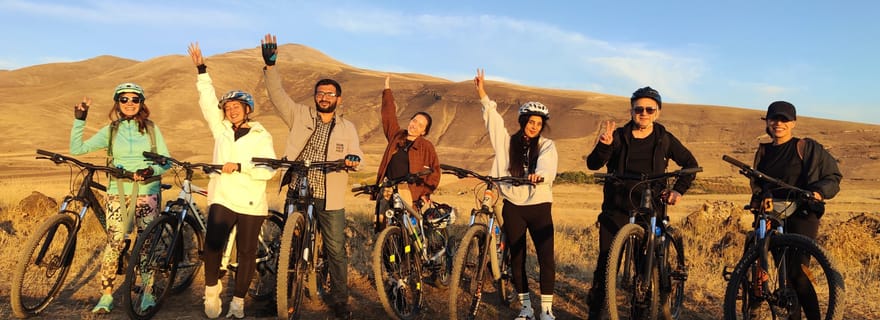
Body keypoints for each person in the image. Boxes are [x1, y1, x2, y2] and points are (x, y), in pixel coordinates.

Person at [261, 33, 363, 319]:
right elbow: (277, 96)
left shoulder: (347, 127)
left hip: (328, 195)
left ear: (338, 99)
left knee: (335, 250)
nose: (324, 97)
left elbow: (357, 154)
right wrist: (270, 67)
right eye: (320, 93)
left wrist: (352, 160)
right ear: (315, 96)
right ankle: (280, 295)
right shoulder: (299, 115)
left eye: (330, 94)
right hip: (297, 188)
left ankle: (340, 299)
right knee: (287, 248)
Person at [585, 86, 699, 319]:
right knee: (606, 262)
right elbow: (593, 164)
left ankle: (642, 310)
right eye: (639, 109)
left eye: (649, 109)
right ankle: (596, 312)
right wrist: (604, 146)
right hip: (617, 206)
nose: (644, 113)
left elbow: (690, 164)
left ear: (657, 112)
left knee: (643, 265)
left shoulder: (664, 139)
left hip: (650, 207)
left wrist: (678, 191)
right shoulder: (617, 136)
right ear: (631, 111)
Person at [188, 42, 277, 319]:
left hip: (251, 200)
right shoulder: (221, 130)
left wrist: (240, 166)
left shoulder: (262, 135)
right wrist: (202, 70)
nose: (231, 110)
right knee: (213, 244)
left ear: (247, 109)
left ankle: (238, 301)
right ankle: (212, 291)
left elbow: (268, 169)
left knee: (247, 252)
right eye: (228, 107)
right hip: (223, 195)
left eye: (237, 106)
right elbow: (206, 101)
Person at [69, 82, 171, 313]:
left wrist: (151, 171)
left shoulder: (152, 129)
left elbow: (166, 160)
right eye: (124, 100)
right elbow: (77, 149)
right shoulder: (111, 130)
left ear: (141, 103)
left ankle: (147, 292)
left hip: (147, 192)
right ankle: (106, 296)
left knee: (146, 245)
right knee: (114, 243)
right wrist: (80, 118)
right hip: (118, 192)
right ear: (118, 103)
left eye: (134, 100)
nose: (129, 104)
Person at [474, 68, 558, 320]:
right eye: (531, 122)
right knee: (517, 258)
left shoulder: (546, 145)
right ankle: (526, 308)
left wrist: (538, 175)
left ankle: (546, 310)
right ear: (523, 122)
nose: (534, 127)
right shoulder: (506, 142)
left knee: (546, 257)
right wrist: (481, 93)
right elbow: (493, 120)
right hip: (513, 205)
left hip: (539, 205)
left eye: (539, 124)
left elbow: (547, 164)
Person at [750, 101, 841, 319]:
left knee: (798, 274)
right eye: (774, 119)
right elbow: (757, 184)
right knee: (780, 272)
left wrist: (818, 191)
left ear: (793, 123)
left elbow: (833, 177)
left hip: (803, 213)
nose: (778, 124)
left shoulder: (806, 148)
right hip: (773, 214)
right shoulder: (763, 151)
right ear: (767, 122)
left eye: (784, 120)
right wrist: (760, 198)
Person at [374, 74, 441, 232]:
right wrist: (387, 90)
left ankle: (410, 255)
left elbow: (435, 171)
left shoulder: (426, 146)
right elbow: (388, 117)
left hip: (409, 192)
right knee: (383, 227)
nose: (415, 125)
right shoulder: (397, 137)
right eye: (414, 121)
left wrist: (425, 193)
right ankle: (384, 255)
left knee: (406, 230)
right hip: (388, 188)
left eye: (420, 125)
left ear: (424, 131)